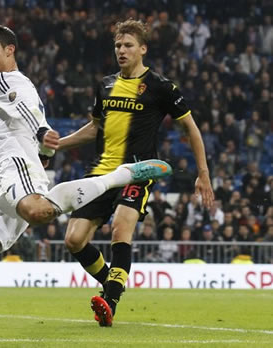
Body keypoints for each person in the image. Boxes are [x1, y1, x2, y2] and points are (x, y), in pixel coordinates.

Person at [0, 25, 172, 342]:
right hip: (0, 181)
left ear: (9, 50)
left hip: (13, 165)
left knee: (36, 211)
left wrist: (42, 132)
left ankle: (122, 174)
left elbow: (29, 114)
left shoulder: (6, 80)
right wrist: (44, 150)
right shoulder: (23, 86)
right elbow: (31, 115)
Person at [58, 19, 215, 327]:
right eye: (118, 45)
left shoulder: (161, 87)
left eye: (128, 45)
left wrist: (203, 173)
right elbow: (94, 128)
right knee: (73, 240)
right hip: (100, 175)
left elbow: (192, 129)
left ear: (143, 49)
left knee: (121, 229)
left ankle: (110, 301)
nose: (122, 50)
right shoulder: (105, 85)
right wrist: (57, 146)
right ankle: (111, 282)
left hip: (137, 172)